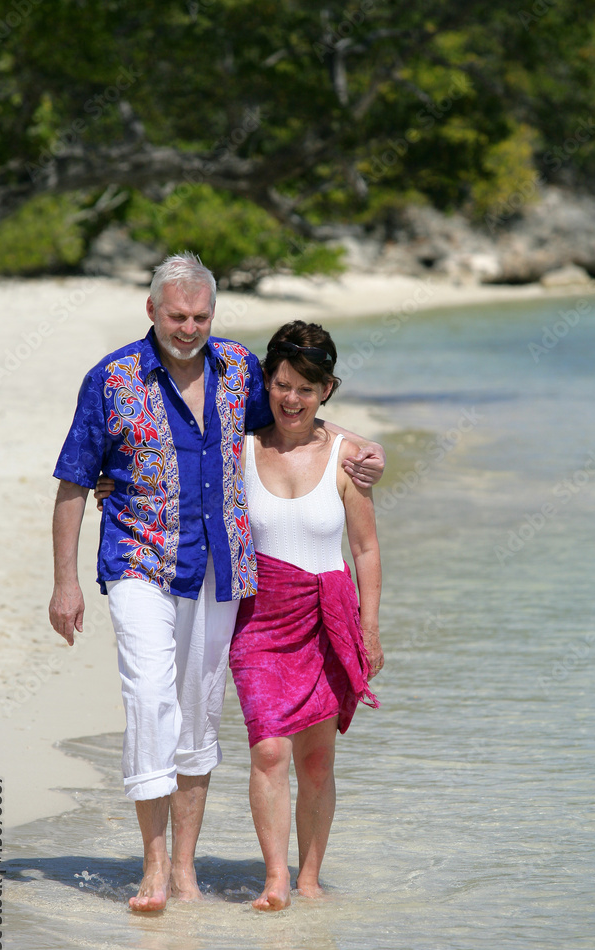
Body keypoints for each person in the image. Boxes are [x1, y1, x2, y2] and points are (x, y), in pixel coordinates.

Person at [49, 252, 385, 913]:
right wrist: (66, 582)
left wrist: (363, 446)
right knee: (150, 697)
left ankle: (185, 874)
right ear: (152, 310)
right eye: (177, 315)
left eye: (200, 316)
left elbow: (297, 414)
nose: (189, 328)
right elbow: (73, 480)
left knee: (198, 717)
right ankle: (153, 867)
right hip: (139, 560)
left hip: (219, 570)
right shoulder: (111, 379)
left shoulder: (237, 369)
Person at [228, 321, 383, 911]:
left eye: (307, 389)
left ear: (326, 391)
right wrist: (112, 483)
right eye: (282, 385)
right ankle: (275, 879)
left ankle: (310, 879)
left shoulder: (349, 459)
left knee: (316, 760)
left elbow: (365, 549)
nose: (292, 400)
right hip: (259, 620)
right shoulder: (241, 449)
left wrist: (369, 630)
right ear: (266, 381)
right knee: (269, 750)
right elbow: (177, 480)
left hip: (327, 617)